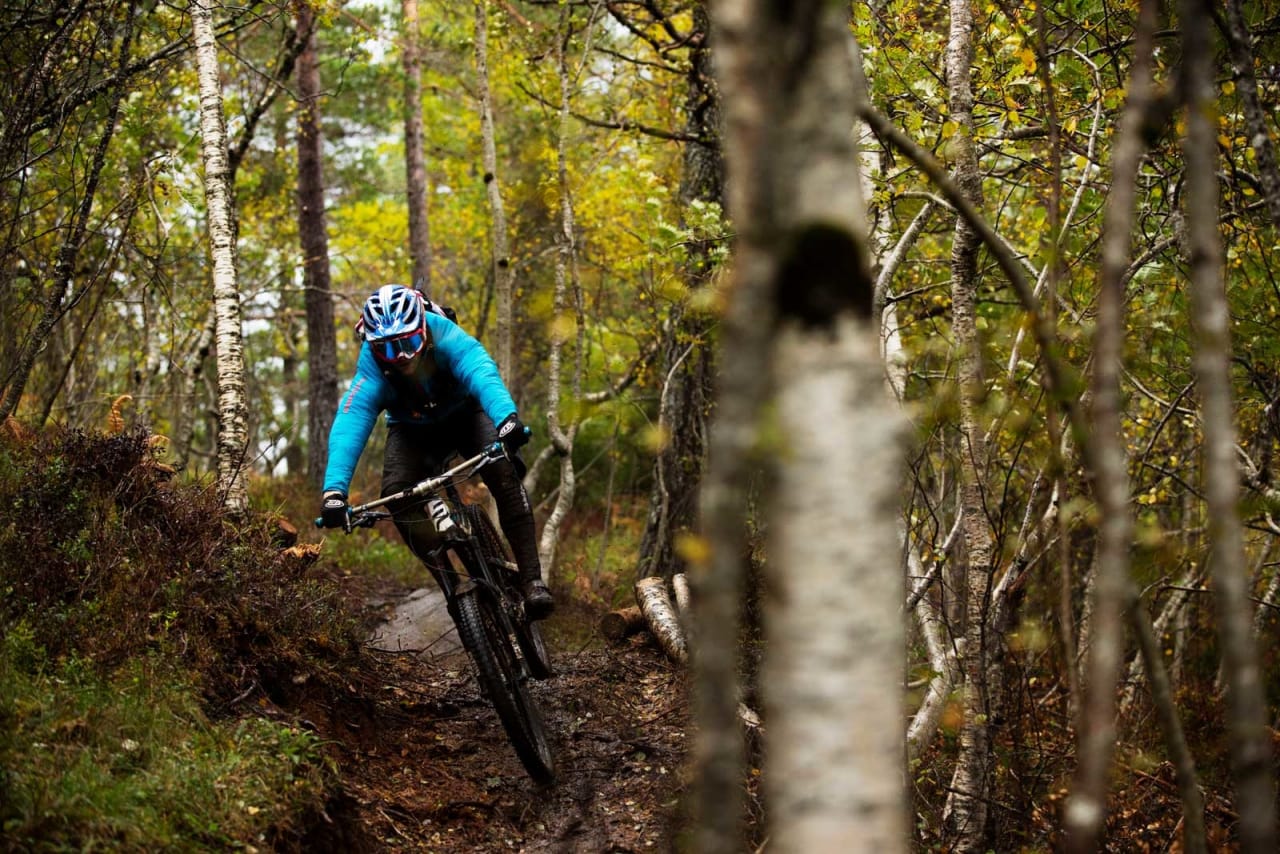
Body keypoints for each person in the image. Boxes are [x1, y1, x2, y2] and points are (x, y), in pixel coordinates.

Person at [317, 283, 554, 619]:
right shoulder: (371, 363)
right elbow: (351, 418)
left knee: (503, 470)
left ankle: (532, 582)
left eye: (410, 343)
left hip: (466, 415)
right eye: (388, 349)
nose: (402, 357)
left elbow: (478, 367)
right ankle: (451, 589)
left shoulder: (442, 331)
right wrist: (334, 493)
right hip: (412, 429)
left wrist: (506, 419)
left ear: (423, 330)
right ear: (372, 346)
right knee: (396, 497)